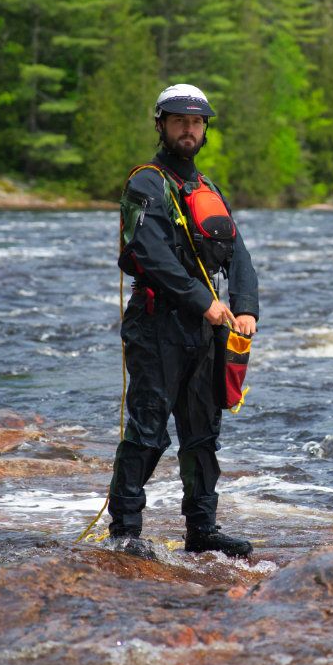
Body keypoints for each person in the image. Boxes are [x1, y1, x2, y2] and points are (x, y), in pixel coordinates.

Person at [107, 84, 259, 558]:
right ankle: (125, 531)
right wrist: (203, 301)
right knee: (148, 431)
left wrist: (246, 306)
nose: (188, 129)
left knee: (202, 435)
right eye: (179, 121)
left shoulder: (208, 188)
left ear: (205, 128)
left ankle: (202, 530)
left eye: (196, 122)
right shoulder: (145, 183)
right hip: (156, 326)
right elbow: (147, 253)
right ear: (161, 125)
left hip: (207, 331)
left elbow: (239, 255)